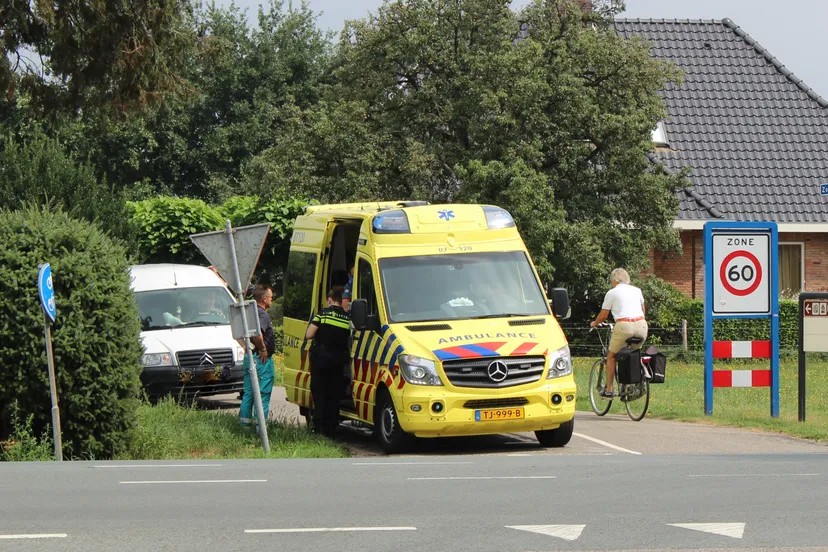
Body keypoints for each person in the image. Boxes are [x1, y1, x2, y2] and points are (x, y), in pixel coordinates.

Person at [589, 268, 648, 399]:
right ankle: (636, 383)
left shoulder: (612, 292)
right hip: (642, 325)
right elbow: (643, 311)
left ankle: (609, 390)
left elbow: (604, 315)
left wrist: (595, 323)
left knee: (611, 357)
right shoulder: (637, 290)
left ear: (615, 281)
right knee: (633, 354)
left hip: (624, 326)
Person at [305, 285, 351, 438]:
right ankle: (332, 430)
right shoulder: (347, 319)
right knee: (334, 395)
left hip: (321, 360)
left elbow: (309, 335)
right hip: (338, 361)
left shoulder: (323, 315)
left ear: (330, 300)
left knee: (320, 394)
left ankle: (319, 430)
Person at [239, 284, 276, 428]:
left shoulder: (248, 312)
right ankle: (261, 428)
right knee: (263, 393)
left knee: (248, 393)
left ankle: (244, 426)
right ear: (264, 298)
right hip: (261, 360)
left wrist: (245, 346)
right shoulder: (262, 314)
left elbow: (237, 331)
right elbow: (256, 333)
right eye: (271, 298)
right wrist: (262, 349)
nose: (272, 301)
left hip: (249, 357)